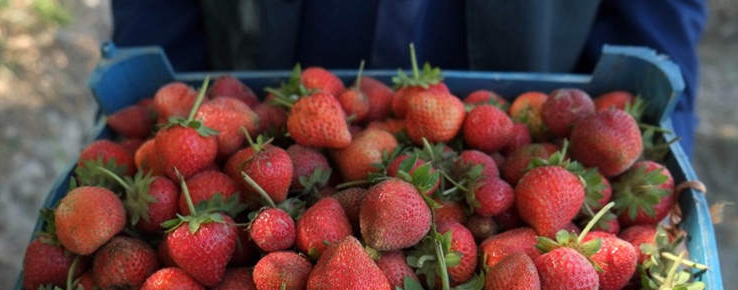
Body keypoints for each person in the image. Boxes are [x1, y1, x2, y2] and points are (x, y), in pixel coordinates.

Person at [111, 0, 706, 159]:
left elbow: (657, 22)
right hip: (262, 96)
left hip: (532, 98)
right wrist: (158, 87)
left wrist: (659, 130)